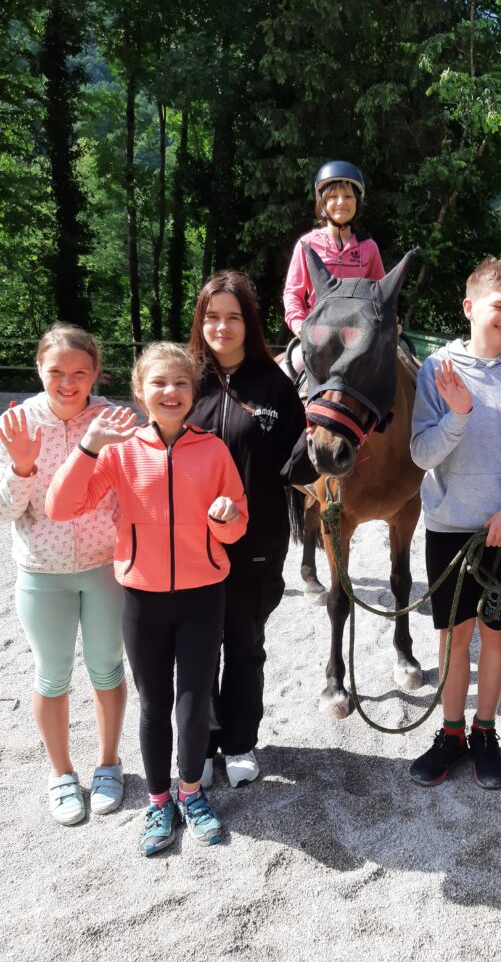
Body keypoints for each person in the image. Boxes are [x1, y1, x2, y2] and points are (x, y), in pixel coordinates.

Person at [46, 343, 248, 857]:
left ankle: (191, 793)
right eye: (158, 382)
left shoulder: (214, 450)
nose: (170, 391)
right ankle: (160, 801)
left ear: (193, 392)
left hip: (203, 596)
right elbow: (61, 507)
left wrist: (226, 518)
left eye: (180, 382)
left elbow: (237, 526)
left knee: (194, 703)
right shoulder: (119, 451)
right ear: (140, 392)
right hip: (142, 598)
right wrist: (88, 446)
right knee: (155, 705)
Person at [409, 258, 501, 790]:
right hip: (448, 525)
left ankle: (485, 731)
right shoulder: (436, 369)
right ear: (470, 308)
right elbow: (421, 453)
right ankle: (451, 733)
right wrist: (458, 414)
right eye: (499, 306)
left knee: (495, 634)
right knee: (453, 637)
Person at [186, 270, 309, 790]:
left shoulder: (275, 386)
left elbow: (298, 464)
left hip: (256, 542)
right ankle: (201, 742)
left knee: (243, 643)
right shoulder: (185, 381)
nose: (222, 327)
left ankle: (239, 740)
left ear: (249, 323)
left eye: (233, 317)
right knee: (196, 649)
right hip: (189, 544)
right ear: (200, 322)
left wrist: (332, 448)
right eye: (212, 317)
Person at [0, 325, 126, 826]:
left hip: (104, 567)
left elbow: (135, 489)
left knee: (107, 668)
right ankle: (61, 773)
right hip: (42, 571)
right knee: (51, 675)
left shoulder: (114, 419)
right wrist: (21, 469)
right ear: (39, 369)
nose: (68, 383)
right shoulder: (18, 422)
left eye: (80, 372)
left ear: (96, 373)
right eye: (56, 371)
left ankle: (109, 764)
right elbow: (5, 511)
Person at [283, 160, 385, 340]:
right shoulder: (307, 244)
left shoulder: (369, 247)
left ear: (357, 202)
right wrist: (299, 324)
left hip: (359, 335)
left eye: (348, 196)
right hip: (317, 334)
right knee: (290, 360)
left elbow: (382, 295)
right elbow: (293, 293)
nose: (341, 202)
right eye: (333, 196)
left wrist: (390, 321)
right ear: (322, 203)